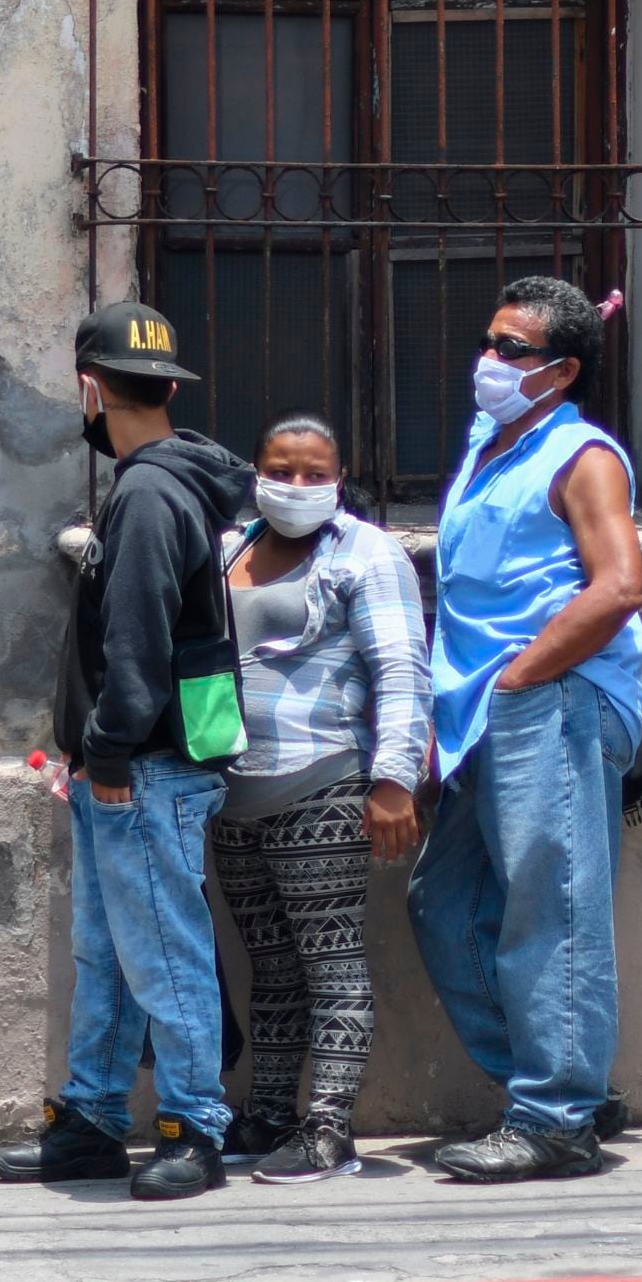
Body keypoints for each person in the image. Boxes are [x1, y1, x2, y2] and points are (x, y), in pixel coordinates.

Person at [0, 302, 251, 1202]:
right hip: (137, 765)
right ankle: (93, 1121)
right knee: (108, 955)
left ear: (90, 389)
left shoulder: (145, 495)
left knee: (163, 955)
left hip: (142, 770)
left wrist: (104, 756)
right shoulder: (164, 485)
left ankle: (194, 1129)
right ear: (169, 389)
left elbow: (137, 649)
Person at [406, 278, 642, 1184]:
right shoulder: (489, 442)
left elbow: (619, 586)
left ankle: (556, 1117)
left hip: (547, 697)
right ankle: (557, 1083)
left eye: (512, 350)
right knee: (444, 904)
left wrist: (522, 674)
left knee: (553, 905)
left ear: (563, 371)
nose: (490, 361)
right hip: (476, 712)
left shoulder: (583, 457)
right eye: (490, 341)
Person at [209, 413, 430, 1184]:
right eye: (281, 471)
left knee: (330, 962)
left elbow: (401, 668)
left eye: (314, 474)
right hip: (232, 794)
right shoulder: (228, 547)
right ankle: (268, 1113)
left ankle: (330, 1129)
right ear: (256, 473)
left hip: (324, 785)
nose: (296, 486)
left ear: (338, 481)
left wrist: (394, 779)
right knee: (269, 965)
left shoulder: (366, 553)